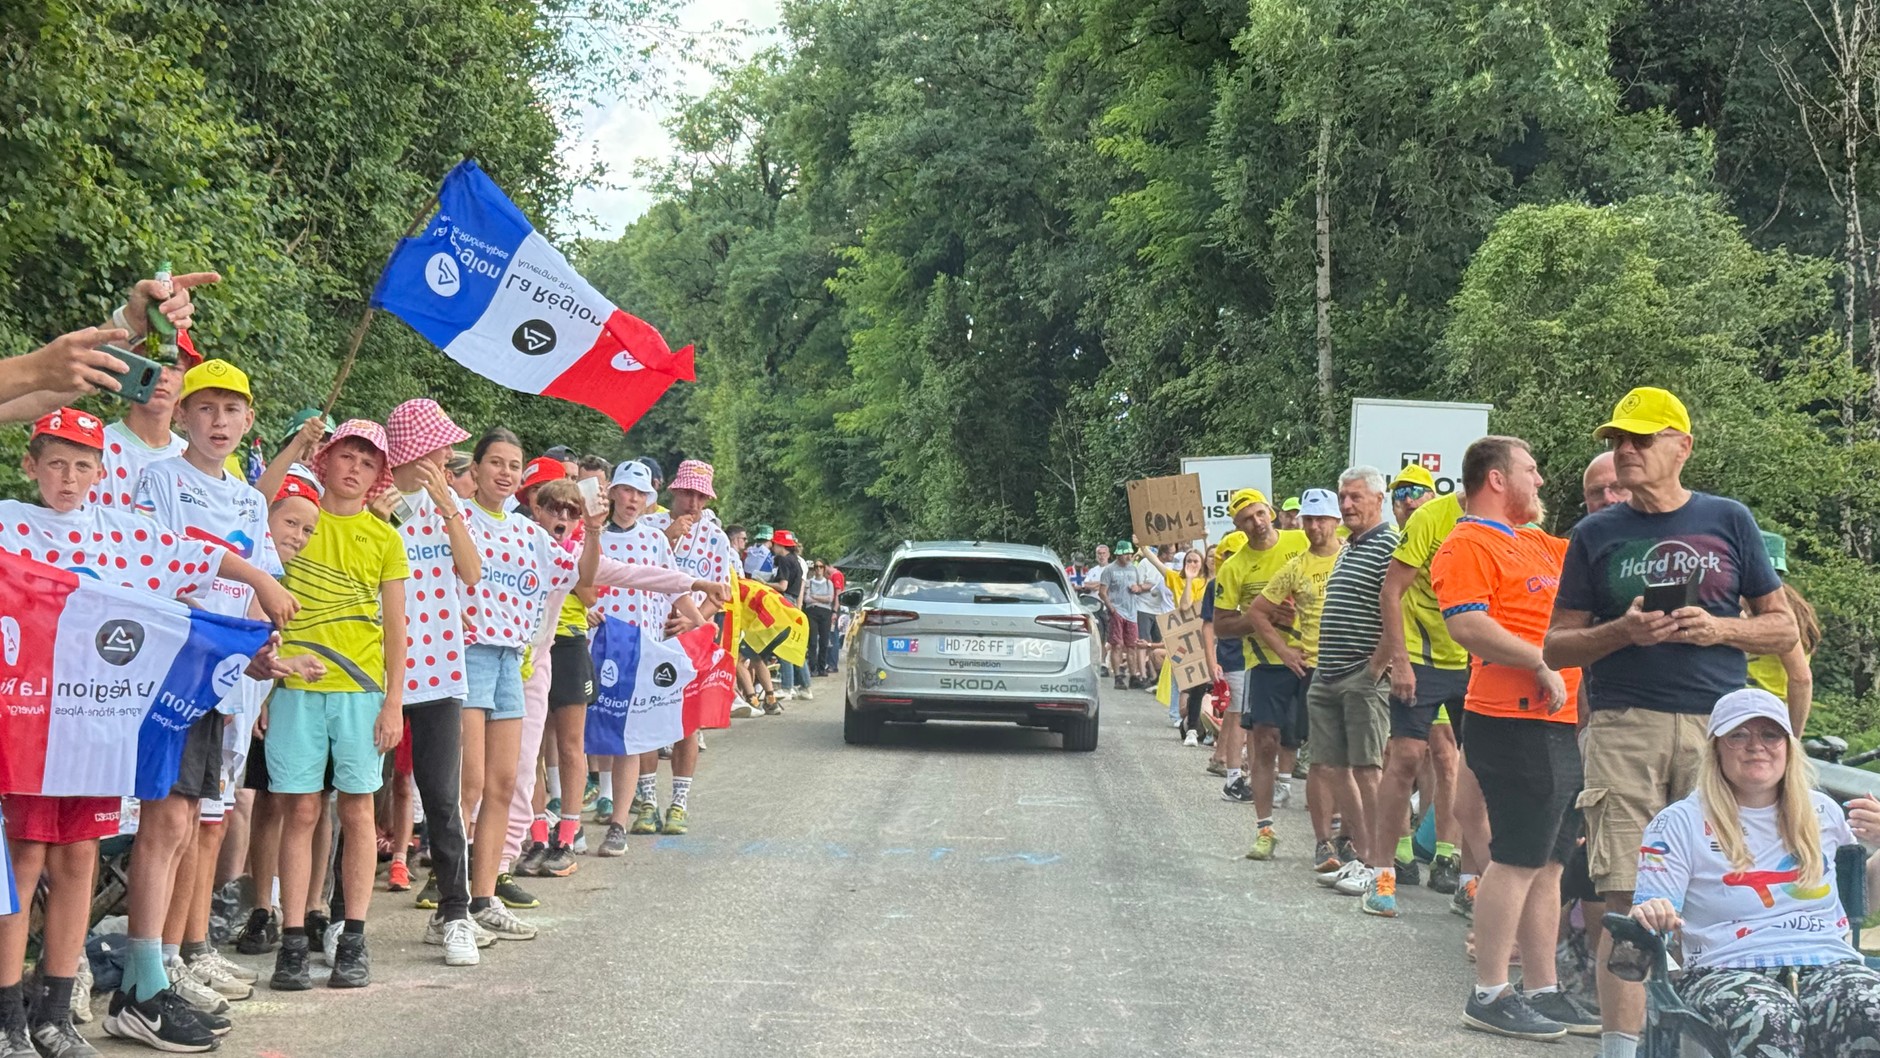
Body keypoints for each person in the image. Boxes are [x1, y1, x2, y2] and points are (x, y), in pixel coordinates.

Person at [0, 408, 267, 1057]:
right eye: (55, 462)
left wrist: (260, 581)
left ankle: (57, 1012)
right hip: (32, 729)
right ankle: (9, 1015)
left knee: (78, 861)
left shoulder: (122, 534)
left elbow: (199, 555)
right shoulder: (11, 525)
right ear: (31, 465)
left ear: (101, 471)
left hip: (93, 731)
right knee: (23, 861)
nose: (68, 477)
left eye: (82, 464)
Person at [1543, 386, 1796, 1058]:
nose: (1624, 451)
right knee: (1627, 901)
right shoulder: (1595, 533)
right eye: (1617, 441)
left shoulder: (1728, 519)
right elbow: (1556, 645)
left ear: (1681, 447)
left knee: (1721, 890)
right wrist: (1621, 632)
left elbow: (1782, 626)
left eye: (1640, 439)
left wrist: (1719, 628)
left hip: (1721, 728)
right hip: (1626, 725)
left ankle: (1722, 1038)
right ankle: (1621, 1050)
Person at [131, 361, 289, 1011]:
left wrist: (259, 649)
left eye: (232, 410)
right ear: (182, 416)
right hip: (169, 672)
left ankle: (173, 958)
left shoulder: (252, 500)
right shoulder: (158, 478)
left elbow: (261, 595)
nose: (219, 421)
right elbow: (155, 564)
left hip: (221, 681)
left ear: (249, 421)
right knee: (166, 822)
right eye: (206, 408)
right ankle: (147, 977)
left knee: (197, 820)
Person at [1432, 436, 1597, 1038]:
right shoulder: (1467, 542)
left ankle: (1545, 989)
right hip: (1512, 717)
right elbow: (1467, 624)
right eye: (1532, 470)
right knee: (1516, 856)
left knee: (1551, 861)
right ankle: (1490, 990)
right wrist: (1539, 661)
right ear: (1496, 479)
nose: (1541, 482)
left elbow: (1592, 553)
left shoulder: (1532, 542)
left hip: (1557, 720)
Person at [1632, 688, 1880, 1054]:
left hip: (1828, 961)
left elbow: (1864, 904)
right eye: (1738, 735)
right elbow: (1653, 911)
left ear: (1788, 746)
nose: (1755, 746)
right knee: (1768, 1018)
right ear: (1716, 747)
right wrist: (1652, 912)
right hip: (1723, 968)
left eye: (1770, 734)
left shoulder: (1824, 812)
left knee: (1872, 1008)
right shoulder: (1679, 822)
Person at [267, 420, 407, 993]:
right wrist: (295, 445)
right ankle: (293, 937)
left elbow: (398, 628)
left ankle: (353, 935)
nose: (354, 469)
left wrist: (394, 701)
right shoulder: (296, 515)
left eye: (368, 463)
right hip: (294, 686)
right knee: (299, 812)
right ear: (325, 461)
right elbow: (253, 507)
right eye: (346, 456)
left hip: (360, 692)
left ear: (378, 478)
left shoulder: (385, 538)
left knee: (358, 814)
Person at [380, 399, 483, 967]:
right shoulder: (376, 497)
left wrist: (449, 511)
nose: (449, 456)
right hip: (377, 668)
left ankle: (455, 913)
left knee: (442, 798)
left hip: (441, 669)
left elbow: (471, 574)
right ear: (414, 452)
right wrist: (386, 515)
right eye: (441, 446)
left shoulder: (449, 504)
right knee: (356, 795)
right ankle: (335, 917)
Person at [591, 460, 706, 853]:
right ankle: (573, 818)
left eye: (640, 494)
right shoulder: (596, 539)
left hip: (645, 649)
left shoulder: (655, 539)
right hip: (600, 647)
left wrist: (694, 623)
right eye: (626, 490)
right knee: (590, 734)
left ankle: (619, 823)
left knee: (632, 736)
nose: (632, 500)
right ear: (612, 493)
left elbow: (674, 586)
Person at [1303, 467, 1400, 900]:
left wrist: (1375, 669)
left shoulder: (1391, 546)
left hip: (1361, 674)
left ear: (1379, 498)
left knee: (1368, 770)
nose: (1346, 506)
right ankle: (1361, 854)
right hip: (1328, 673)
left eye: (1355, 497)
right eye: (1343, 497)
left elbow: (1398, 611)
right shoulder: (1349, 547)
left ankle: (1382, 866)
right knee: (1332, 766)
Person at [1376, 475, 1471, 903]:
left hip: (1471, 657)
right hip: (1422, 654)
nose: (1408, 501)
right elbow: (1391, 591)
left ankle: (1454, 862)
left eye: (1415, 492)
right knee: (1407, 756)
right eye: (1400, 494)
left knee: (1459, 761)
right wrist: (1397, 661)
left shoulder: (1507, 521)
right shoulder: (1430, 520)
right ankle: (1389, 863)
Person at [637, 460, 738, 836]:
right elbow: (637, 573)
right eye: (687, 493)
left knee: (686, 724)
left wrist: (693, 617)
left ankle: (678, 804)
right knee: (646, 720)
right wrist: (668, 533)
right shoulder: (649, 527)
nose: (693, 502)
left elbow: (720, 592)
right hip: (650, 632)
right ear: (673, 492)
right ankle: (646, 802)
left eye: (700, 495)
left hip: (691, 637)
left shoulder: (716, 538)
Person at [1243, 489, 1342, 861]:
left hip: (1334, 666)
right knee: (1266, 740)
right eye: (1309, 519)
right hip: (1290, 663)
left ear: (1335, 520)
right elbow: (1257, 612)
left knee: (1326, 753)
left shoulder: (1351, 557)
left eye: (1322, 519)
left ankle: (1335, 833)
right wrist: (1284, 651)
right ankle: (1265, 829)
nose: (1315, 526)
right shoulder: (1296, 566)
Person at [1211, 491, 1309, 804]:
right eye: (1246, 520)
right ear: (1238, 527)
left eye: (1259, 514)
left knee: (1309, 735)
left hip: (1314, 654)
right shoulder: (1234, 567)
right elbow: (1222, 626)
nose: (1256, 523)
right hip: (1265, 660)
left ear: (1271, 511)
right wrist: (1260, 618)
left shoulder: (1302, 541)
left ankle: (1296, 789)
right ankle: (1266, 797)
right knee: (1266, 735)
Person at [1745, 531, 1817, 733]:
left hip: (1763, 709)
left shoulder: (1779, 612)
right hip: (1766, 709)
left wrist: (1793, 738)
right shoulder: (1787, 604)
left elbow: (1801, 679)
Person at [1140, 546, 1211, 741]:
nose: (1192, 565)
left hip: (1203, 635)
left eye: (1196, 561)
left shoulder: (1208, 581)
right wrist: (1143, 547)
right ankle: (1180, 717)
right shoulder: (1176, 578)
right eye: (1189, 561)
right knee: (1179, 676)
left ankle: (1195, 726)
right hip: (1182, 634)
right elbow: (1185, 605)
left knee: (1201, 682)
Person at [1201, 531, 1247, 775]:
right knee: (1238, 711)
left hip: (1257, 655)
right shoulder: (1215, 585)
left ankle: (1222, 755)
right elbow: (1207, 626)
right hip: (1233, 656)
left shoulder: (1257, 578)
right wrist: (1212, 661)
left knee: (1238, 710)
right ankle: (1231, 763)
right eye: (1230, 554)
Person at [1097, 541, 1147, 690]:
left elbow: (1139, 586)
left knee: (1132, 645)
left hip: (1132, 612)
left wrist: (1137, 588)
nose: (1128, 556)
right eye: (1125, 554)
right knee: (1117, 645)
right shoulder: (1109, 570)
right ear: (1119, 554)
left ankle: (1133, 676)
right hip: (1117, 611)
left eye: (1130, 553)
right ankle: (1118, 676)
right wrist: (1111, 608)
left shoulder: (1133, 569)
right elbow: (1102, 592)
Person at [805, 560, 838, 677]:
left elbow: (830, 598)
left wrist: (815, 597)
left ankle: (821, 667)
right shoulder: (809, 582)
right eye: (816, 567)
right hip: (812, 611)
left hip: (825, 612)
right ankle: (812, 667)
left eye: (821, 567)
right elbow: (806, 599)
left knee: (824, 641)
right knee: (812, 641)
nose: (818, 569)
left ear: (824, 569)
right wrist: (821, 598)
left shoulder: (829, 583)